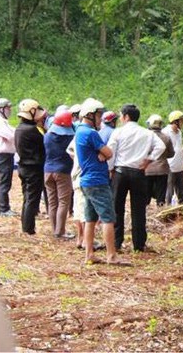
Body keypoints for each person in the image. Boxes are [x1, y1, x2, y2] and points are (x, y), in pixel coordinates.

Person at [107, 104, 165, 252]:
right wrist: (149, 159)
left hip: (120, 171)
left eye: (121, 115)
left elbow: (111, 151)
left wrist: (110, 169)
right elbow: (161, 146)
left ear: (126, 117)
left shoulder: (118, 132)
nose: (120, 118)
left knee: (116, 207)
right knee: (138, 209)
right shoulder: (147, 133)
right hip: (139, 172)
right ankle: (139, 244)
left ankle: (116, 242)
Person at [75, 98, 126, 265]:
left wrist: (103, 153)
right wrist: (104, 154)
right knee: (108, 218)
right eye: (98, 115)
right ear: (90, 115)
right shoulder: (90, 133)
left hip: (87, 180)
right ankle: (111, 255)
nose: (99, 119)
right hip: (97, 180)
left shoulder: (80, 131)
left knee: (90, 218)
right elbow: (109, 153)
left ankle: (89, 253)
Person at [15, 99, 46, 235]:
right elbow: (43, 144)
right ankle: (29, 228)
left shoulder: (19, 128)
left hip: (23, 167)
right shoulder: (32, 130)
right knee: (32, 199)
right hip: (33, 168)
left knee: (27, 198)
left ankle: (26, 226)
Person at [44, 110, 75, 239]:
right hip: (63, 171)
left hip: (47, 171)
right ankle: (60, 231)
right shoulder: (69, 137)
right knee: (63, 202)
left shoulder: (47, 136)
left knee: (52, 202)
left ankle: (55, 229)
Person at [145, 114, 175, 207]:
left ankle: (146, 211)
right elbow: (171, 153)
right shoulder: (166, 137)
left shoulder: (145, 137)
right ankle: (160, 207)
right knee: (161, 195)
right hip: (162, 169)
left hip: (147, 169)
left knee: (146, 194)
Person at [0, 98, 17, 217]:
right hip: (2, 155)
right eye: (8, 108)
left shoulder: (3, 121)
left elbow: (14, 132)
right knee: (4, 181)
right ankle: (3, 208)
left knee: (6, 181)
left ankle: (4, 207)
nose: (10, 110)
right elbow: (11, 136)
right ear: (1, 109)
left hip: (7, 155)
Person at [164, 110, 183, 205]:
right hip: (170, 166)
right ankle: (167, 211)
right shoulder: (165, 132)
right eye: (181, 120)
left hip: (179, 166)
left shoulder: (179, 132)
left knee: (182, 192)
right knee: (169, 192)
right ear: (175, 121)